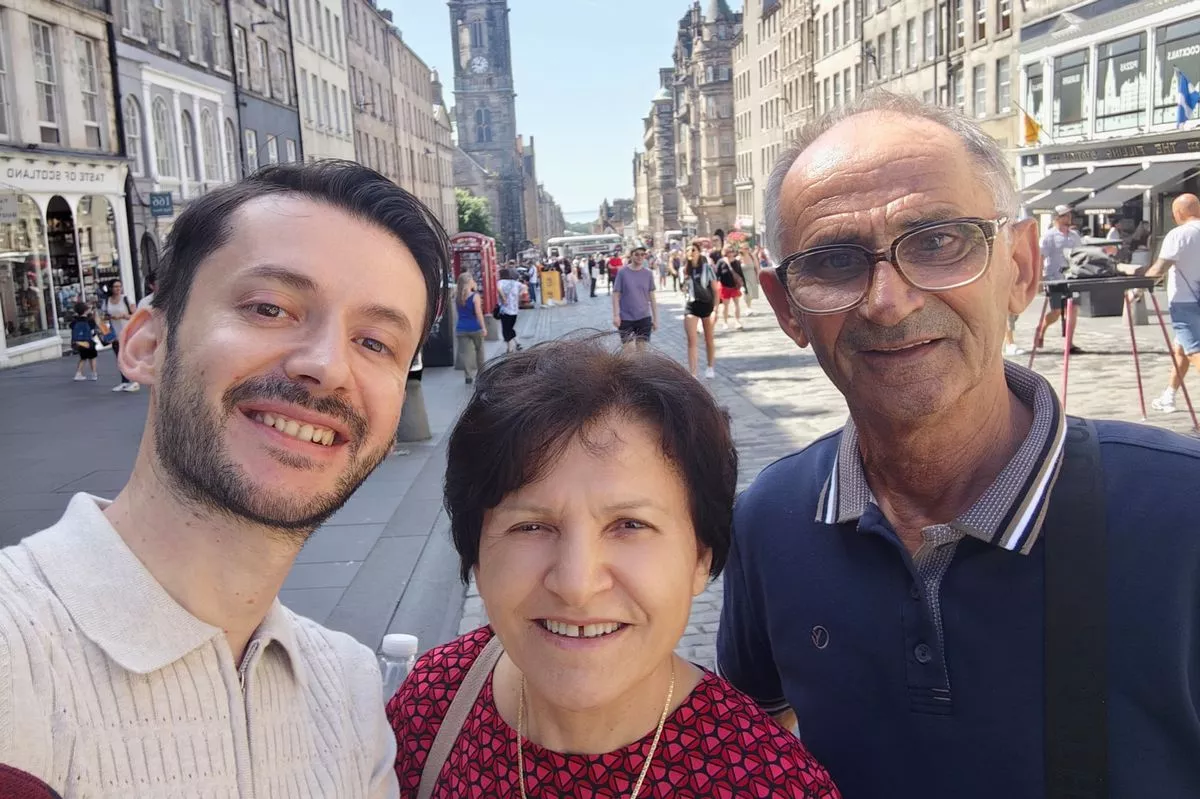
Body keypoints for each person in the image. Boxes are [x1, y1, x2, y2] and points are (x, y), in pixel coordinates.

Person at [723, 92, 1200, 798]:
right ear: (786, 306)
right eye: (834, 260)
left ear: (1021, 267)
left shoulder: (1183, 513)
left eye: (939, 241)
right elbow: (756, 741)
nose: (889, 299)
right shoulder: (770, 521)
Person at [0, 160, 449, 797]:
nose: (326, 365)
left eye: (375, 343)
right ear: (147, 345)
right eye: (269, 308)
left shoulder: (348, 691)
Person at [387, 339, 841, 799]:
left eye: (629, 525)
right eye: (531, 526)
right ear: (477, 559)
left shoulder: (772, 783)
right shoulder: (433, 705)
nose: (576, 584)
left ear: (701, 556)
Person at [1145, 193, 1200, 413]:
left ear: (1178, 213)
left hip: (1184, 301)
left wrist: (1138, 286)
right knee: (1181, 349)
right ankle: (1169, 395)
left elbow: (1159, 270)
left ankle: (1169, 396)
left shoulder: (1178, 235)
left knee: (1193, 351)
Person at [1032, 204, 1084, 355]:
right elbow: (1041, 257)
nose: (1068, 218)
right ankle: (1041, 328)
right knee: (1056, 312)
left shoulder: (1074, 236)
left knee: (1073, 309)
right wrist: (1039, 279)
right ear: (1057, 218)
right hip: (1054, 277)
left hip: (1072, 277)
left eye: (1069, 215)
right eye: (1064, 215)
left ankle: (1069, 343)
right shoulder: (1049, 236)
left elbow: (1080, 255)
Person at [612, 246, 658, 352]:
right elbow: (616, 294)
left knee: (642, 352)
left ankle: (641, 369)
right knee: (629, 351)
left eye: (642, 254)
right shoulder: (622, 273)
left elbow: (652, 297)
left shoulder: (648, 274)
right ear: (631, 256)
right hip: (625, 317)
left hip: (644, 317)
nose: (640, 257)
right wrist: (616, 315)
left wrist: (655, 319)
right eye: (636, 254)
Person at [683, 243, 719, 379]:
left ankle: (710, 367)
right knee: (691, 340)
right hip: (691, 305)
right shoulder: (685, 270)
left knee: (708, 338)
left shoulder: (707, 268)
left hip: (707, 305)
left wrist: (715, 310)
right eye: (688, 250)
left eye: (693, 250)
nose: (690, 252)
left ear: (699, 252)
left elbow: (716, 291)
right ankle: (693, 373)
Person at [103, 278, 139, 392]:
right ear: (110, 288)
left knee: (128, 357)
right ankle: (124, 381)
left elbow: (135, 315)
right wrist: (110, 318)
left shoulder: (126, 299)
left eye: (119, 286)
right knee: (120, 358)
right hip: (115, 333)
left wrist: (123, 316)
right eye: (115, 287)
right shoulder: (106, 301)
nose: (118, 289)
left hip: (128, 332)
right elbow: (104, 315)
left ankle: (134, 381)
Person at [454, 271, 487, 385]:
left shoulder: (457, 297)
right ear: (469, 282)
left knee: (466, 354)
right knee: (480, 351)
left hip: (461, 328)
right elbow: (478, 313)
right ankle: (481, 374)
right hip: (475, 327)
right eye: (472, 280)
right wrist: (483, 327)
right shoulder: (475, 296)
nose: (474, 282)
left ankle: (468, 376)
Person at [68, 301, 100, 381]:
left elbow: (71, 326)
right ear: (85, 310)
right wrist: (94, 314)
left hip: (79, 342)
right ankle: (94, 374)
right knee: (92, 357)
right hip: (88, 341)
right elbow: (95, 325)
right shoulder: (89, 321)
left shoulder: (75, 321)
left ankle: (78, 373)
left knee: (83, 358)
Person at [714, 248, 744, 331]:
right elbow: (716, 274)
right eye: (729, 252)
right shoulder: (721, 262)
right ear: (725, 252)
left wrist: (744, 286)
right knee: (725, 305)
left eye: (732, 251)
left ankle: (737, 321)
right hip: (725, 286)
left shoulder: (736, 262)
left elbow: (741, 274)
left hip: (735, 287)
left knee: (736, 304)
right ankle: (725, 322)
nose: (730, 253)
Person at [497, 267, 523, 353]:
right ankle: (517, 343)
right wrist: (519, 295)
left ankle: (510, 348)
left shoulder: (500, 282)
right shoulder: (515, 283)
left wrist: (503, 298)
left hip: (505, 310)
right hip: (514, 310)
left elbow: (498, 289)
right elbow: (524, 287)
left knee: (506, 329)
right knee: (510, 328)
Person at [738, 242, 759, 315]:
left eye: (747, 248)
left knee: (750, 292)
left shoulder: (752, 256)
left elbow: (757, 267)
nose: (747, 250)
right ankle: (748, 308)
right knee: (745, 292)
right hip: (743, 278)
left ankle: (749, 307)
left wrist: (758, 276)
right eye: (745, 248)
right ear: (741, 249)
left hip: (751, 276)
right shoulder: (738, 258)